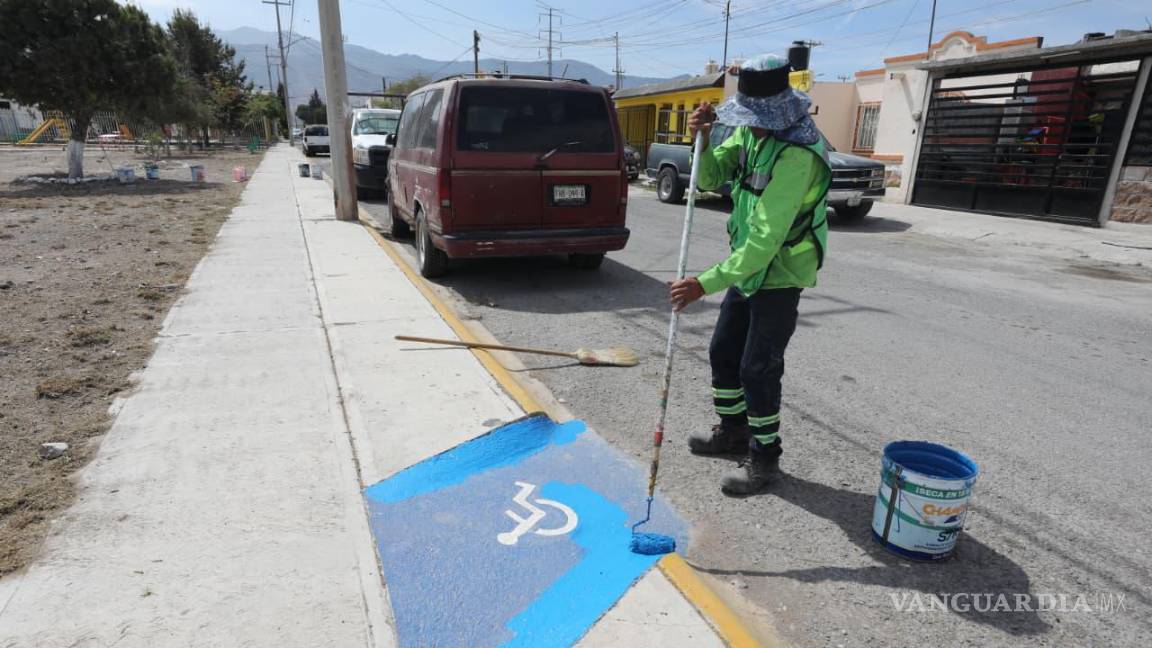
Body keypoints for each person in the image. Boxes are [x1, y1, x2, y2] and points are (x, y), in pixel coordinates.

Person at [667, 53, 832, 495]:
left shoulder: (798, 156)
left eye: (755, 118)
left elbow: (764, 241)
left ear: (778, 115)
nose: (749, 125)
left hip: (780, 272)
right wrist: (700, 139)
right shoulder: (750, 132)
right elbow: (711, 175)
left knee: (758, 369)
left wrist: (705, 283)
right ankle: (733, 432)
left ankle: (764, 458)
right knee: (723, 352)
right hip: (747, 265)